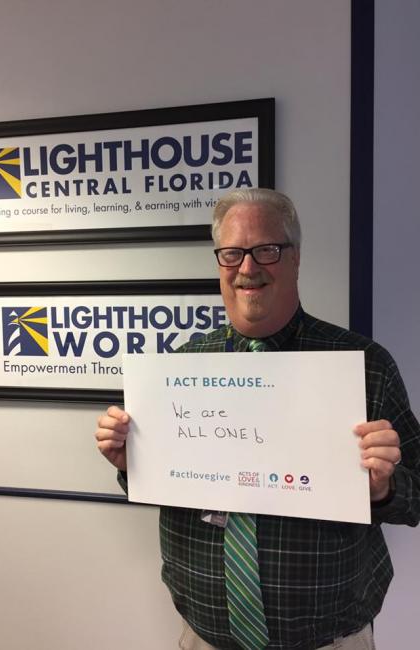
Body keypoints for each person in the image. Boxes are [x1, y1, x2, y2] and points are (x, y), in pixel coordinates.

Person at [95, 188, 420, 649]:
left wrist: (385, 487)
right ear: (219, 262)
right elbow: (163, 483)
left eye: (267, 250)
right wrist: (132, 462)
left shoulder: (364, 364)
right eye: (232, 253)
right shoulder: (182, 368)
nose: (248, 268)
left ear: (296, 258)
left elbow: (417, 493)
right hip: (204, 639)